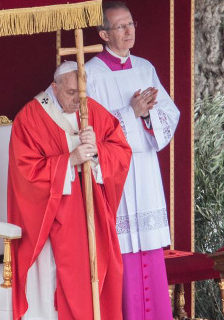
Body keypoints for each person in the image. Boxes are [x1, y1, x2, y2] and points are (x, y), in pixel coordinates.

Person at [8, 61, 132, 320]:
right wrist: (69, 161)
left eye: (82, 93)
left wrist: (98, 150)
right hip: (53, 209)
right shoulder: (30, 117)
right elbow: (25, 172)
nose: (78, 100)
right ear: (55, 87)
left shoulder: (93, 110)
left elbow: (121, 150)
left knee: (103, 268)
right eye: (71, 93)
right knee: (70, 272)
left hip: (92, 205)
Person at [84, 2, 181, 320]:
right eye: (120, 26)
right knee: (124, 249)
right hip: (117, 172)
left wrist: (149, 114)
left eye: (131, 24)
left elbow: (170, 113)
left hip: (146, 168)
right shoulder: (91, 74)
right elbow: (89, 130)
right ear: (103, 34)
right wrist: (132, 112)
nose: (128, 31)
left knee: (149, 250)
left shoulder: (145, 67)